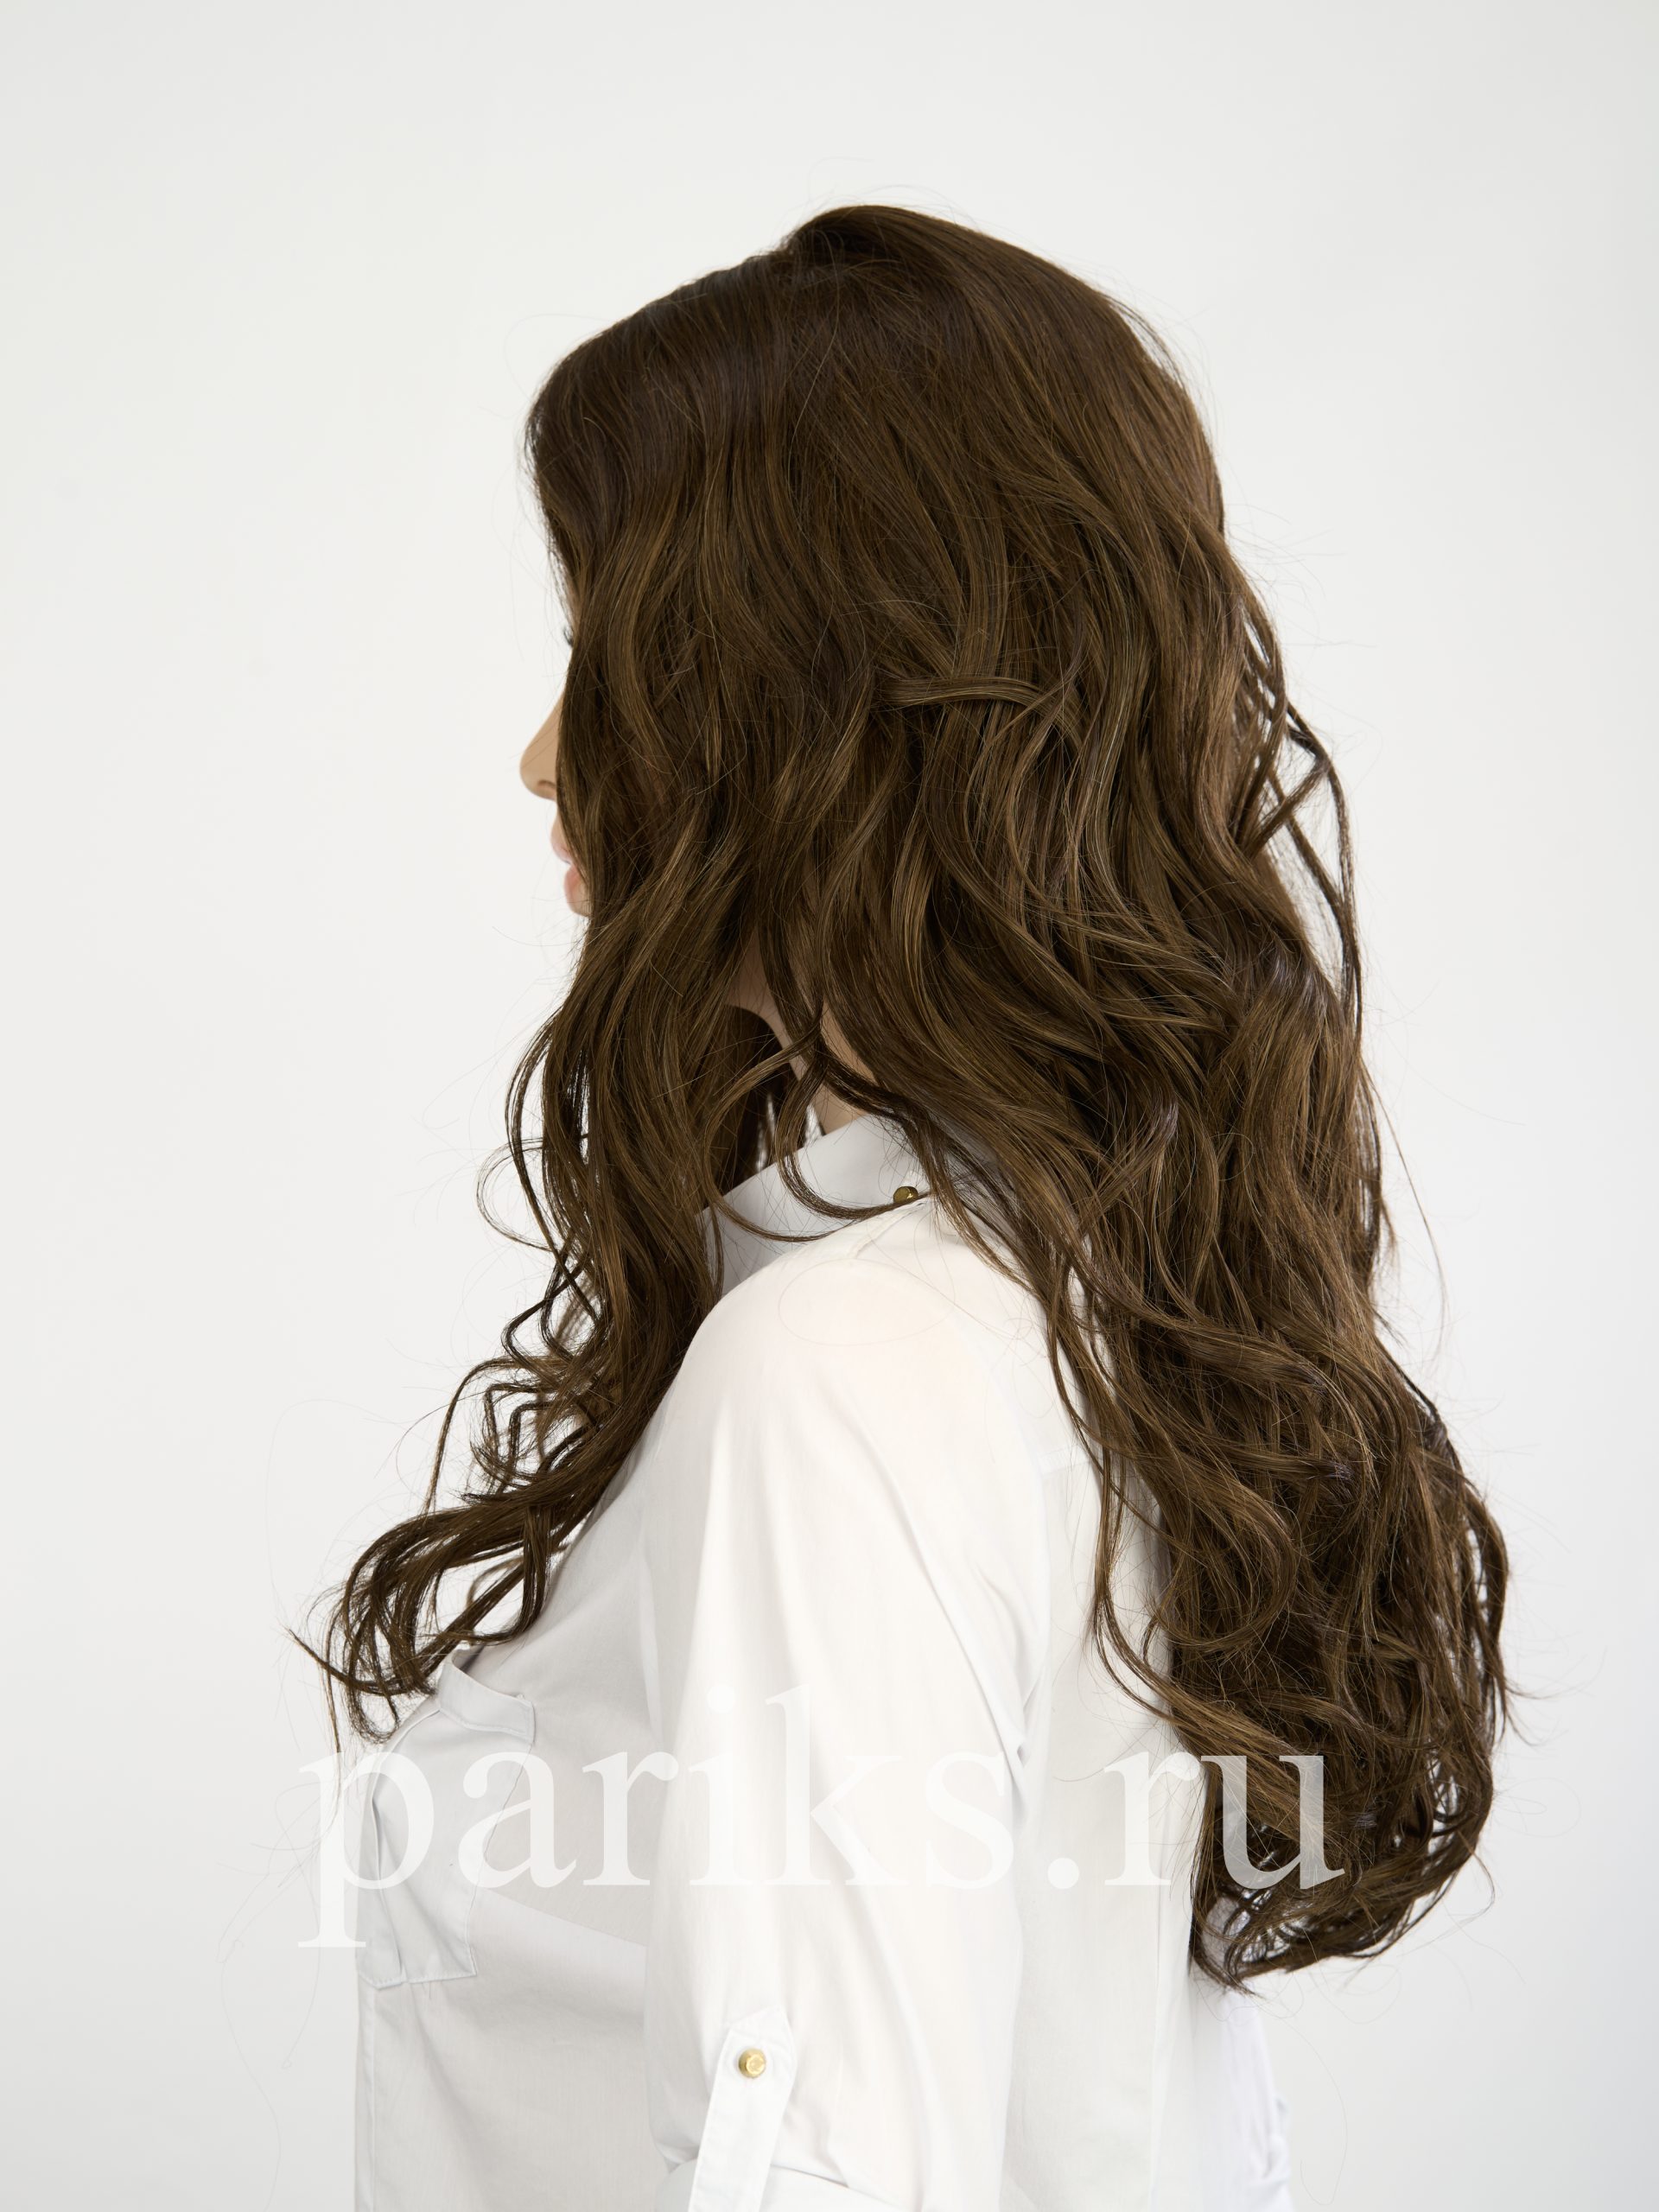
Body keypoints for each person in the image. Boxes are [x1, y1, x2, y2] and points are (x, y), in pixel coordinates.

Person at [308, 203, 1509, 2212]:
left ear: (799, 695)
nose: (541, 754)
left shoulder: (843, 1368)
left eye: (601, 653)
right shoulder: (1077, 1307)